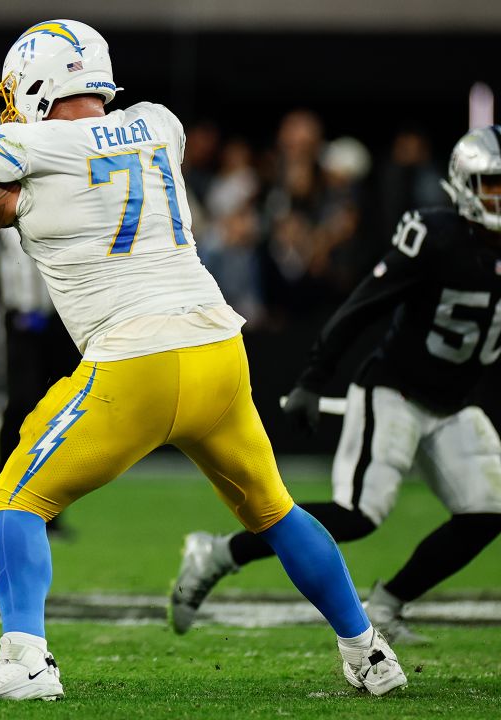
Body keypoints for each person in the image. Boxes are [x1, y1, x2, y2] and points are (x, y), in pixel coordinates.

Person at [0, 19, 407, 701]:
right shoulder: (159, 124)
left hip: (135, 358)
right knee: (275, 510)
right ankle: (368, 651)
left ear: (38, 81)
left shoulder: (20, 142)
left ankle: (25, 659)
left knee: (13, 499)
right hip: (217, 349)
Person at [171, 126, 501, 644]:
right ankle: (217, 552)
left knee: (488, 511)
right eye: (493, 185)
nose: (499, 197)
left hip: (455, 402)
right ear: (463, 185)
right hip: (397, 390)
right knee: (357, 515)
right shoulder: (434, 235)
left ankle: (388, 605)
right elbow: (364, 303)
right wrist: (314, 377)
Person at [0, 227, 80, 540]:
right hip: (16, 323)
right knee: (14, 406)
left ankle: (48, 509)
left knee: (60, 413)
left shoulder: (67, 207)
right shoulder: (4, 214)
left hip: (62, 324)